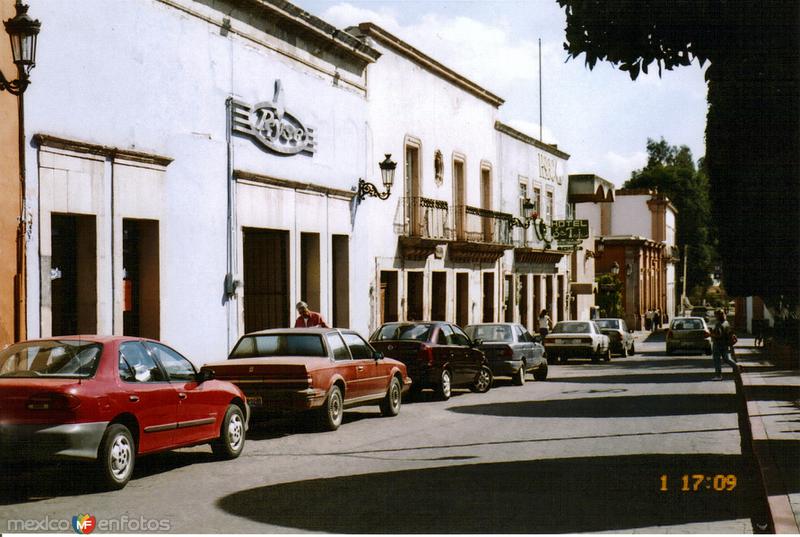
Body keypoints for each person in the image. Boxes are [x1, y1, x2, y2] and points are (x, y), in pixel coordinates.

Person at [710, 309, 738, 380]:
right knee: (727, 359)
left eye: (715, 314)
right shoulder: (726, 322)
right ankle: (737, 367)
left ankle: (718, 375)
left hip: (718, 344)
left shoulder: (719, 324)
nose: (715, 316)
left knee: (717, 360)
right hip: (725, 344)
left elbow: (719, 335)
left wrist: (710, 334)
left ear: (718, 315)